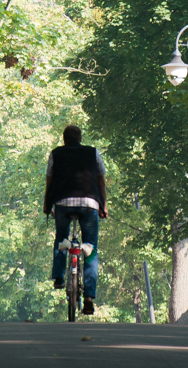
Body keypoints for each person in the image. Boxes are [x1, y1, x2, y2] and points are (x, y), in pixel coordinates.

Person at [43, 124, 108, 315]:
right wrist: (104, 205)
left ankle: (58, 277)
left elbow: (49, 181)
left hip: (62, 203)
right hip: (89, 204)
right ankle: (88, 296)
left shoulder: (55, 154)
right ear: (80, 138)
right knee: (91, 247)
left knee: (61, 237)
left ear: (64, 139)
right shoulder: (93, 153)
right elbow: (101, 181)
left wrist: (47, 205)